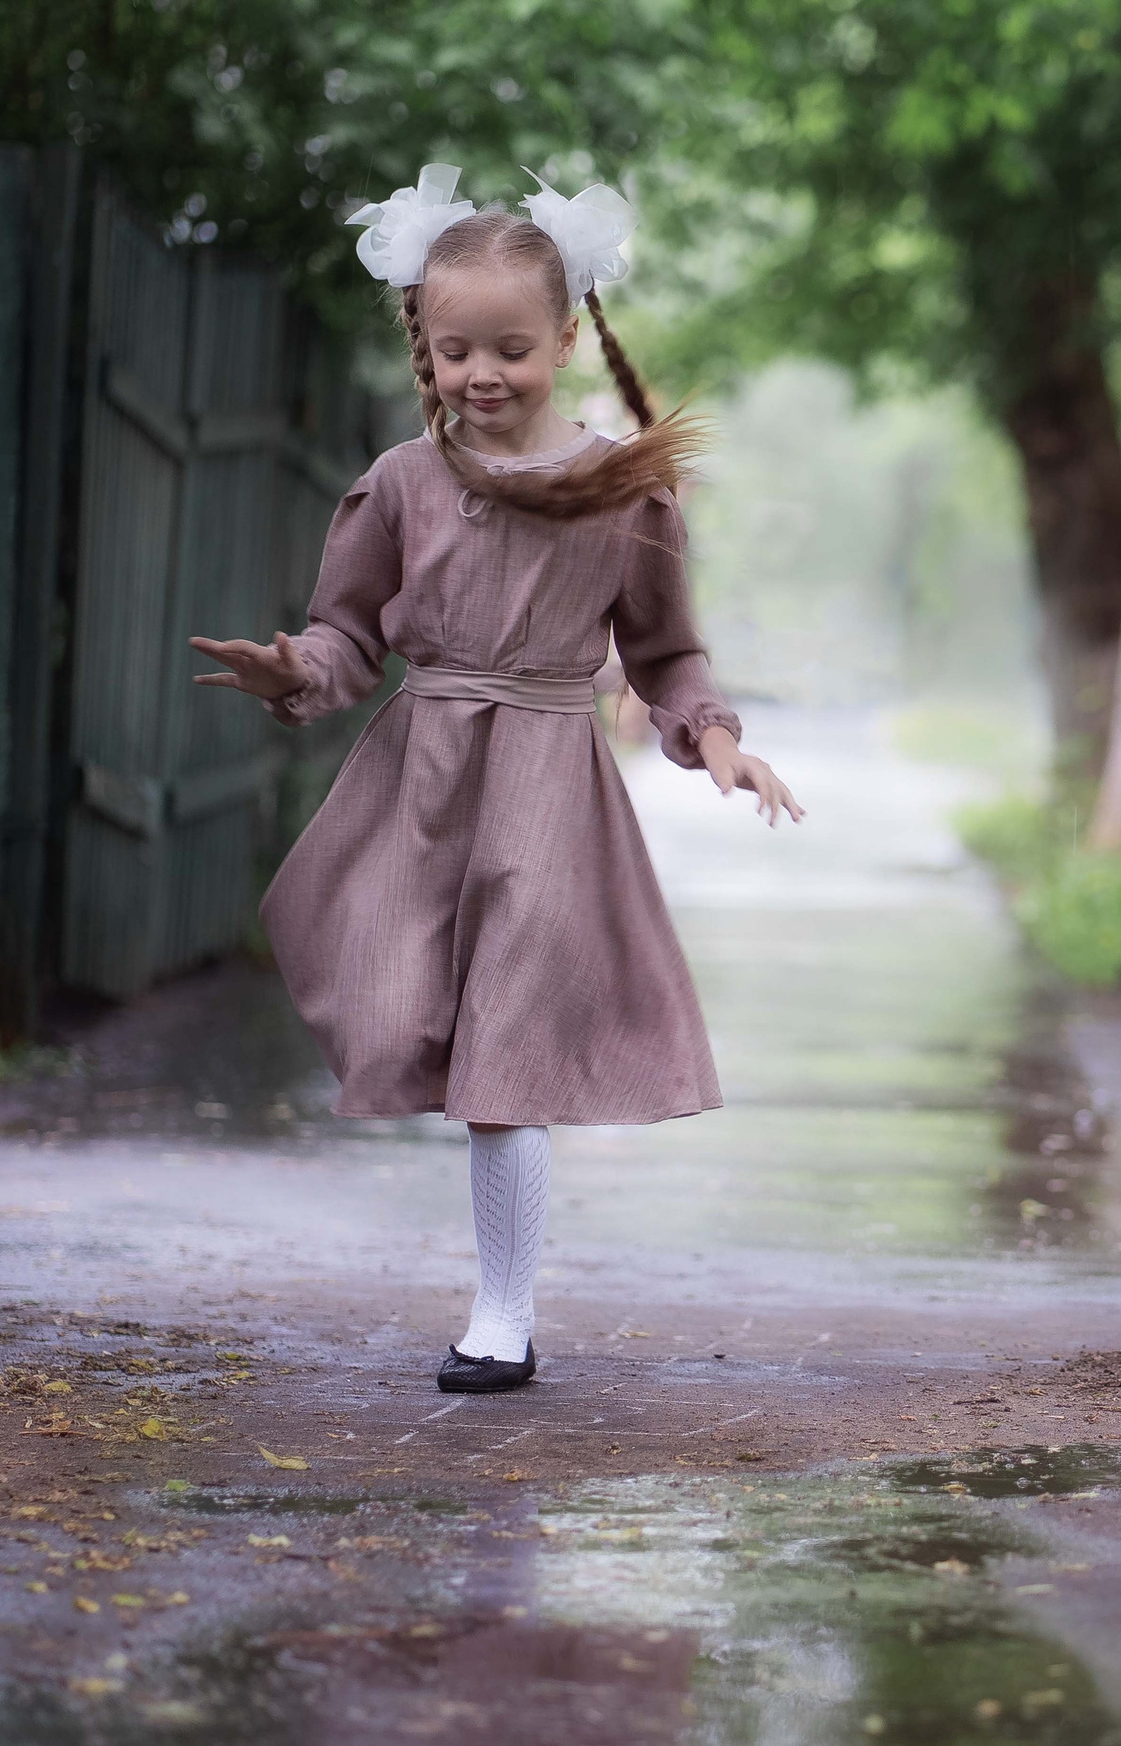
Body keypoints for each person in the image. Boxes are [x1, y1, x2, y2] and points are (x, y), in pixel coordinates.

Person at [188, 166, 801, 1395]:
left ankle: (501, 1316)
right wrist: (293, 667)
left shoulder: (621, 488)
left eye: (512, 349)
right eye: (455, 347)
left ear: (565, 339)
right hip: (421, 788)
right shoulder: (402, 483)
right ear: (423, 338)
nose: (482, 373)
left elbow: (666, 653)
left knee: (507, 1060)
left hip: (545, 792)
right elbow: (349, 633)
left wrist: (714, 738)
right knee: (409, 1011)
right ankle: (495, 1299)